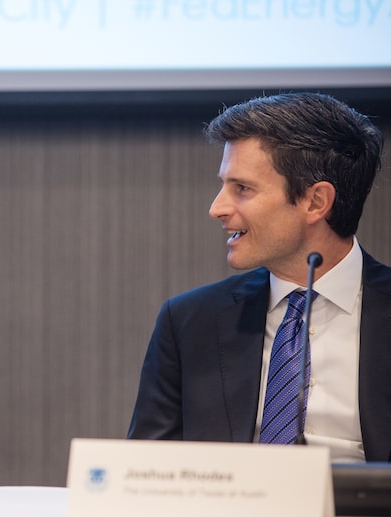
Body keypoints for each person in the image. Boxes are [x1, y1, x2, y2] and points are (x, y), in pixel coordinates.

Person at [127, 92, 390, 463]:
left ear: (316, 202)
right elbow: (144, 472)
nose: (217, 208)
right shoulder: (189, 322)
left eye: (243, 189)